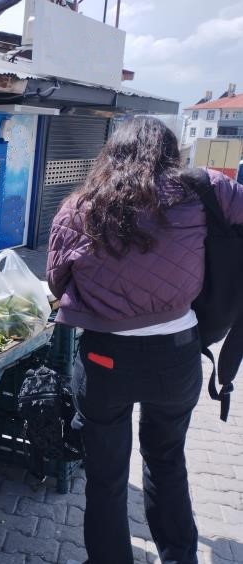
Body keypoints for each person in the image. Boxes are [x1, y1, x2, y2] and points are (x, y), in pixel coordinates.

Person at [47, 117, 243, 564]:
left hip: (103, 360)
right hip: (176, 357)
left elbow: (56, 281)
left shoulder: (78, 207)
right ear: (170, 152)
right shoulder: (202, 190)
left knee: (106, 475)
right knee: (167, 460)